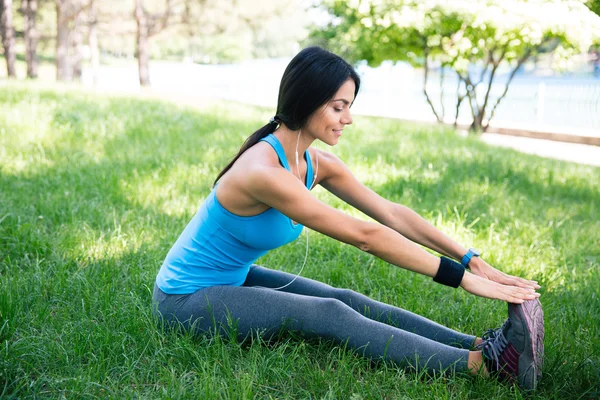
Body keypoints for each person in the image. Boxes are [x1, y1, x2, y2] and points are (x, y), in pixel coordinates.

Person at [152, 47, 544, 390]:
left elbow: (391, 214)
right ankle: (486, 368)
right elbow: (365, 235)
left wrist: (469, 258)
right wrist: (461, 280)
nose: (348, 118)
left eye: (349, 107)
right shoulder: (261, 171)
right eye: (339, 107)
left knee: (343, 297)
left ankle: (476, 344)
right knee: (328, 314)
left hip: (229, 279)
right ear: (307, 101)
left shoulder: (314, 163)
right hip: (183, 301)